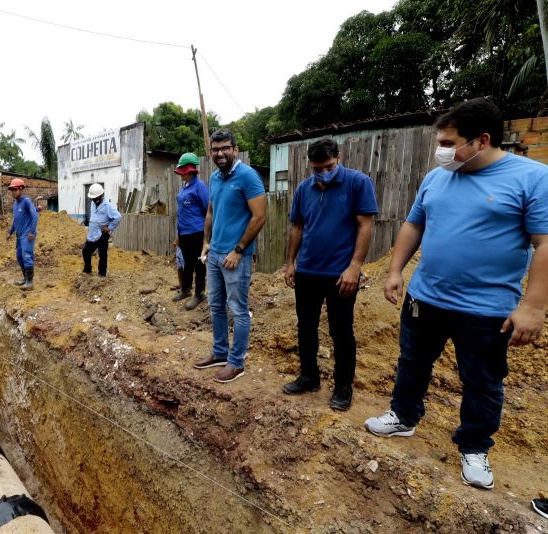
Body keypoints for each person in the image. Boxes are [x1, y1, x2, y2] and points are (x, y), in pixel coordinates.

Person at [364, 98, 548, 490]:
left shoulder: (532, 178)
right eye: (440, 143)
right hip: (426, 297)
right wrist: (395, 271)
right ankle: (404, 416)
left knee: (482, 380)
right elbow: (414, 225)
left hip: (486, 309)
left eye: (449, 143)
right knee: (412, 362)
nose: (441, 151)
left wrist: (533, 307)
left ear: (482, 140)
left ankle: (475, 446)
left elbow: (544, 243)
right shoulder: (437, 178)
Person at [282, 138, 378, 411]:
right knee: (306, 327)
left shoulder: (358, 183)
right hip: (307, 271)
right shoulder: (304, 189)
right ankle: (309, 377)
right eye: (317, 169)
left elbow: (365, 226)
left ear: (339, 157)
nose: (323, 173)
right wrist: (290, 263)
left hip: (340, 274)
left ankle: (343, 386)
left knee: (341, 331)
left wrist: (355, 267)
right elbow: (297, 227)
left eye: (329, 167)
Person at [194, 130, 266, 383]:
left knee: (238, 309)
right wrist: (206, 242)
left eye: (225, 148)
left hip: (236, 257)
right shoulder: (214, 177)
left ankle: (236, 363)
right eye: (215, 149)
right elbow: (211, 211)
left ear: (235, 150)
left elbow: (260, 216)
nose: (220, 153)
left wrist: (239, 250)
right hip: (214, 254)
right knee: (215, 305)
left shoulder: (248, 176)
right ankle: (220, 352)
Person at [173, 152, 210, 310]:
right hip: (184, 233)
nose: (181, 174)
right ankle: (186, 289)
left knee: (199, 263)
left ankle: (199, 294)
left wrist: (207, 235)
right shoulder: (185, 186)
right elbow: (182, 212)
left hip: (197, 232)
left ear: (189, 170)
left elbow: (208, 209)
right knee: (187, 263)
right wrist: (179, 236)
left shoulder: (199, 186)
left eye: (183, 171)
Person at [5, 178, 38, 290]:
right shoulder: (15, 204)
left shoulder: (26, 201)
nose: (13, 192)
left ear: (21, 189)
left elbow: (35, 216)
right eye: (12, 190)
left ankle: (30, 282)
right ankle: (25, 278)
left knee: (26, 256)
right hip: (19, 236)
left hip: (27, 235)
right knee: (19, 257)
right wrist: (10, 232)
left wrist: (32, 232)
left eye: (15, 190)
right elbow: (16, 220)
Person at [82, 183, 121, 277]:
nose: (93, 200)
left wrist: (109, 228)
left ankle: (102, 273)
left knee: (102, 254)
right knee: (86, 251)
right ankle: (87, 269)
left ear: (101, 195)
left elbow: (118, 217)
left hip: (102, 234)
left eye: (95, 198)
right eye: (92, 198)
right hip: (92, 234)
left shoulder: (107, 206)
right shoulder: (93, 203)